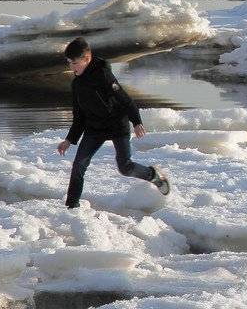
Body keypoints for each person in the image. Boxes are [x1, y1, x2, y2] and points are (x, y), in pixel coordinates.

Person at [57, 37, 170, 208]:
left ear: (86, 59)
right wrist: (69, 139)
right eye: (69, 63)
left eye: (75, 63)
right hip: (94, 128)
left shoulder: (103, 75)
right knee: (79, 165)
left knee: (125, 167)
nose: (71, 67)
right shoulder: (77, 84)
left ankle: (153, 175)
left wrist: (136, 121)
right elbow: (79, 115)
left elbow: (125, 99)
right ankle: (72, 206)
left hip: (117, 125)